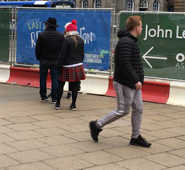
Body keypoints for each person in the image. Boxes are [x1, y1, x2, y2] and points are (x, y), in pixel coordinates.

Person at [89, 15, 151, 147]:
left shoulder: (131, 41)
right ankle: (96, 125)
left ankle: (135, 136)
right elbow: (124, 63)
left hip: (133, 83)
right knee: (123, 110)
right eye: (141, 26)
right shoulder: (126, 42)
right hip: (125, 82)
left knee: (138, 108)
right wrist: (136, 80)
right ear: (135, 28)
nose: (142, 28)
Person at [55, 19, 85, 110]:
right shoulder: (81, 40)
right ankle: (73, 105)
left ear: (68, 31)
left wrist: (59, 66)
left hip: (66, 65)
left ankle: (58, 104)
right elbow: (82, 54)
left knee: (61, 85)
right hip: (77, 65)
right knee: (75, 87)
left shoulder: (66, 40)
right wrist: (79, 62)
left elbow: (62, 54)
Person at [35, 17, 64, 102]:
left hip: (44, 59)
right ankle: (54, 97)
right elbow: (62, 49)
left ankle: (43, 96)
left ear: (47, 25)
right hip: (55, 60)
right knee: (55, 78)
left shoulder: (42, 35)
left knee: (43, 77)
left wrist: (39, 58)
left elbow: (38, 49)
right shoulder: (61, 35)